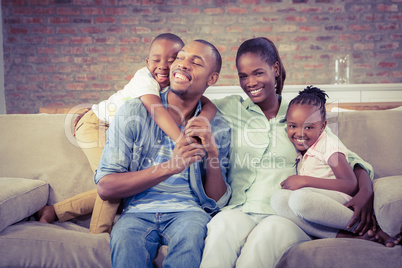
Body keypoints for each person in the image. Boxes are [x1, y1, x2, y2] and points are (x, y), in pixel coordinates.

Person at [200, 37, 376, 268]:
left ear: (275, 70)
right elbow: (191, 97)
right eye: (243, 76)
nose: (250, 82)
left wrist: (366, 191)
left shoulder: (300, 114)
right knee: (218, 233)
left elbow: (349, 159)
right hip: (239, 208)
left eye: (258, 73)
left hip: (283, 215)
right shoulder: (229, 108)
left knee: (260, 246)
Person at [37, 33, 217, 234]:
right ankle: (99, 237)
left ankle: (54, 211)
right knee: (114, 183)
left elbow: (208, 103)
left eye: (172, 59)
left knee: (134, 186)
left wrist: (205, 118)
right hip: (96, 125)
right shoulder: (145, 79)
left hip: (112, 125)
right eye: (156, 60)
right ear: (147, 62)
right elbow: (157, 112)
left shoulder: (174, 82)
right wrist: (181, 140)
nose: (164, 66)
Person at [95, 40, 231, 267]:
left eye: (196, 62)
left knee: (191, 237)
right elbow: (106, 187)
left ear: (212, 79)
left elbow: (216, 202)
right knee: (125, 240)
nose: (183, 64)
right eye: (181, 57)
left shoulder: (217, 126)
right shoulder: (133, 112)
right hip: (136, 214)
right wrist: (172, 166)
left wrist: (213, 154)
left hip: (189, 213)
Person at [270, 85, 401, 247]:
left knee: (299, 198)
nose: (300, 133)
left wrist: (304, 181)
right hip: (316, 201)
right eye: (293, 126)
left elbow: (350, 184)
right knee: (277, 199)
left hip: (339, 200)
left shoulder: (329, 147)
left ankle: (370, 229)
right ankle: (349, 237)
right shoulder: (303, 148)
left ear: (323, 126)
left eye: (309, 127)